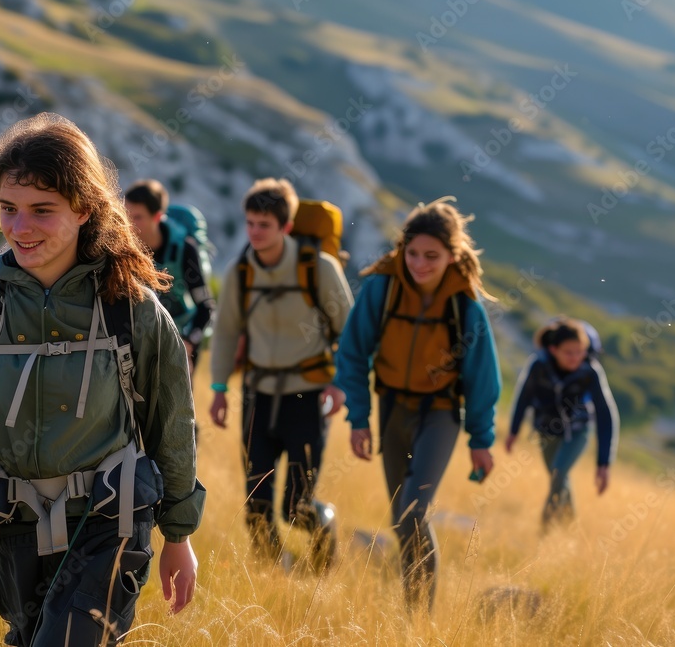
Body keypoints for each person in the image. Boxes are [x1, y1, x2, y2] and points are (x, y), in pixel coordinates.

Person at [0, 113, 205, 647]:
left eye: (42, 211)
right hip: (15, 531)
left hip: (111, 524)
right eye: (9, 208)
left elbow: (173, 429)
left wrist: (179, 533)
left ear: (83, 209)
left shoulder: (134, 312)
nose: (20, 227)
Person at [331, 197, 501, 611]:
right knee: (400, 518)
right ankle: (413, 611)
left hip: (440, 414)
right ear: (401, 249)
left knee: (412, 510)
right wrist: (359, 419)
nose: (420, 264)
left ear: (453, 255)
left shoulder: (466, 307)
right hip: (391, 409)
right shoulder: (381, 290)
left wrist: (482, 438)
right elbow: (352, 354)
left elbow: (482, 380)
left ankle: (418, 616)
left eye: (432, 256)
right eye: (412, 254)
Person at [208, 178, 352, 565]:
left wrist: (341, 386)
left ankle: (323, 561)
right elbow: (225, 333)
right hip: (257, 398)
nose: (254, 232)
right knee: (256, 508)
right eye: (250, 223)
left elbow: (351, 335)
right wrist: (219, 389)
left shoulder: (317, 268)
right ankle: (277, 575)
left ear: (285, 227)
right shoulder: (242, 273)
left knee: (296, 506)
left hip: (307, 399)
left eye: (264, 225)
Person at [505, 317, 619, 528]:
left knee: (558, 472)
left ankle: (545, 529)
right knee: (559, 478)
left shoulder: (590, 372)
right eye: (569, 352)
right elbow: (524, 397)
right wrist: (513, 431)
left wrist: (604, 463)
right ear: (553, 349)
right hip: (546, 431)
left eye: (580, 352)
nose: (575, 358)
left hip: (578, 431)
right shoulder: (539, 365)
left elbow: (606, 414)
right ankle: (570, 526)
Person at [123, 179, 214, 376]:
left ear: (158, 216)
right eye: (126, 215)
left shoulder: (186, 250)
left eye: (137, 217)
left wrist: (189, 342)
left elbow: (206, 306)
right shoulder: (123, 249)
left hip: (182, 341)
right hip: (139, 344)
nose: (129, 224)